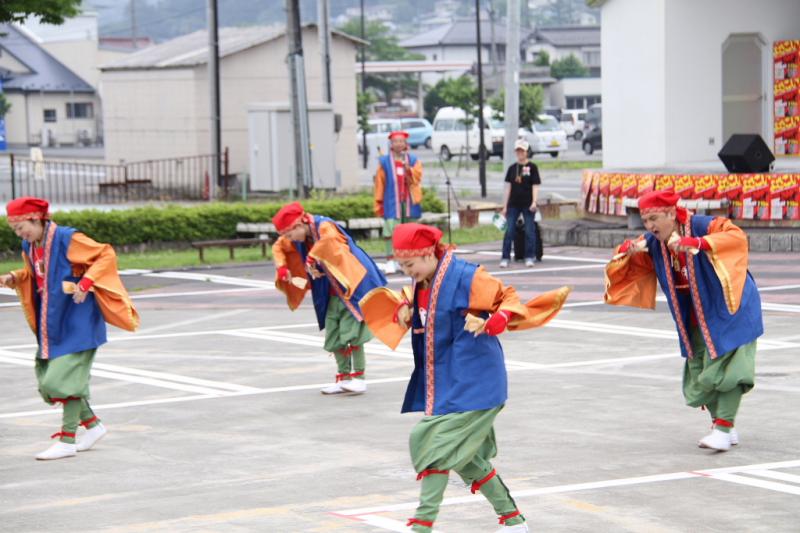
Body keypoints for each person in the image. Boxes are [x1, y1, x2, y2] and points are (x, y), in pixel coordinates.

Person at [360, 223, 570, 532]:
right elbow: (412, 298)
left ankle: (421, 524)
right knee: (463, 458)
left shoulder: (464, 275)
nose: (407, 272)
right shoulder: (424, 280)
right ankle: (513, 521)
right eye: (402, 266)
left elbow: (507, 297)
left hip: (477, 381)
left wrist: (493, 321)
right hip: (449, 382)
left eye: (409, 264)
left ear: (427, 254)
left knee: (430, 442)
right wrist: (405, 307)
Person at [604, 191, 762, 451]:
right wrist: (628, 251)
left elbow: (735, 238)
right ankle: (723, 426)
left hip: (732, 306)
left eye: (654, 218)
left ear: (670, 213)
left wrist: (698, 243)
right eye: (645, 221)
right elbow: (622, 260)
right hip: (696, 313)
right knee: (702, 369)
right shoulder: (654, 242)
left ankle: (723, 428)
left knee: (730, 367)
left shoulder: (704, 226)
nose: (650, 226)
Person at [0, 197, 139, 460]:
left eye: (21, 228)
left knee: (61, 379)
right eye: (16, 230)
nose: (20, 234)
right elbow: (35, 274)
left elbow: (105, 254)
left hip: (79, 319)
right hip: (55, 319)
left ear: (36, 218)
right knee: (54, 379)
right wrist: (14, 277)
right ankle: (94, 426)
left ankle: (67, 439)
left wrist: (86, 282)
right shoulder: (30, 246)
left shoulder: (67, 238)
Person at [271, 202, 387, 395]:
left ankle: (359, 378)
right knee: (334, 333)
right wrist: (282, 268)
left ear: (299, 225)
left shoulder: (324, 225)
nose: (290, 240)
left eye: (291, 235)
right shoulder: (300, 235)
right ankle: (343, 378)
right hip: (329, 290)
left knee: (352, 333)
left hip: (351, 285)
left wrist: (311, 257)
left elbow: (330, 239)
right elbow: (278, 246)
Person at [374, 130, 423, 274]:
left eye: (401, 141)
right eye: (396, 141)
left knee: (409, 232)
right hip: (391, 202)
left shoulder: (413, 160)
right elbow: (379, 183)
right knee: (391, 230)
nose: (399, 144)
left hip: (409, 202)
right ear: (391, 143)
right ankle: (391, 260)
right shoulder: (384, 162)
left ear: (405, 143)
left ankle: (407, 261)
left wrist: (409, 170)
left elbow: (417, 177)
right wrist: (379, 202)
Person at [500, 139, 541, 268]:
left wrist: (534, 201)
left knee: (530, 230)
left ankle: (529, 256)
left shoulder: (532, 167)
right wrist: (505, 205)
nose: (520, 153)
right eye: (518, 150)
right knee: (509, 230)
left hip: (528, 203)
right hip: (513, 204)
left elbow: (535, 185)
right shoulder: (512, 168)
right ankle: (505, 257)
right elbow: (508, 187)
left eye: (522, 150)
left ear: (526, 152)